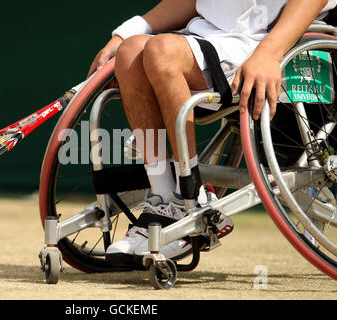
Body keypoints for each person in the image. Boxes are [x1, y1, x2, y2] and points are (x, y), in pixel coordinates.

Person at [88, 0, 337, 267]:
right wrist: (124, 33)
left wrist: (270, 53)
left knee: (162, 51)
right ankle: (163, 199)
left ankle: (189, 197)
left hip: (267, 43)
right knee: (129, 51)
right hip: (210, 36)